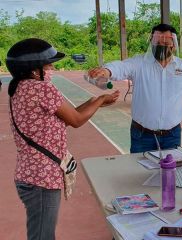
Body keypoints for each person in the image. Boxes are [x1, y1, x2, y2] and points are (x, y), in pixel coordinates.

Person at [7, 38, 119, 240]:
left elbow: (66, 117)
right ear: (34, 69)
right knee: (43, 236)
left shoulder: (21, 88)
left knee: (40, 233)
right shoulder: (42, 89)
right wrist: (101, 99)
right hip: (42, 178)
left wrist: (94, 103)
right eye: (49, 64)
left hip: (30, 174)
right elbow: (76, 120)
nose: (52, 69)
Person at [88, 23, 182, 153]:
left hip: (172, 136)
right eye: (158, 42)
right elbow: (121, 67)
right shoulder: (139, 63)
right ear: (151, 42)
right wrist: (107, 71)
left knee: (170, 173)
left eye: (166, 42)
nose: (162, 45)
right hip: (142, 136)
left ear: (173, 44)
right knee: (140, 172)